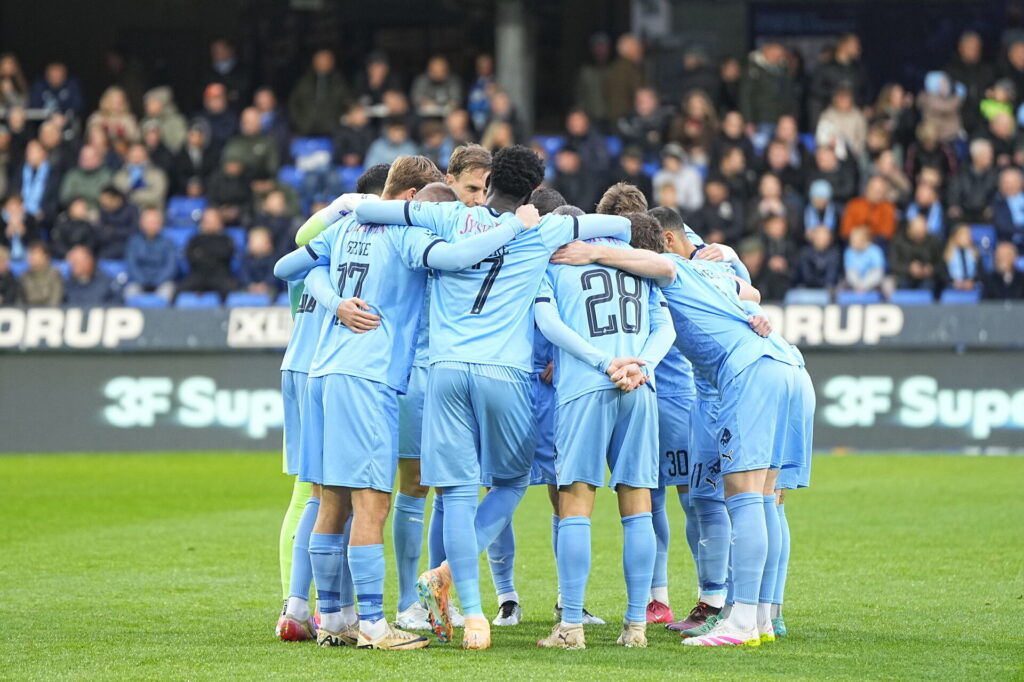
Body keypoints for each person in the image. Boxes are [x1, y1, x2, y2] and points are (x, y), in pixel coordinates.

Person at [354, 145, 634, 651]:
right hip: (503, 371)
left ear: (487, 185)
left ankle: (475, 619)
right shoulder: (544, 227)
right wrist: (588, 246)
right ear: (530, 191)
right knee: (512, 480)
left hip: (443, 371)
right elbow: (623, 229)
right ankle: (440, 575)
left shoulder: (447, 215)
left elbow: (367, 209)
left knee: (457, 495)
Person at [275, 158, 545, 651]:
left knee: (328, 501)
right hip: (369, 377)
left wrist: (335, 300)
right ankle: (376, 624)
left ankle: (331, 616)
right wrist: (510, 225)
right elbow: (454, 260)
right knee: (374, 503)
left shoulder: (347, 225)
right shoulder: (409, 236)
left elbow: (287, 267)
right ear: (413, 203)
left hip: (322, 373)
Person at [549, 213, 811, 648]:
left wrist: (595, 251)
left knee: (744, 495)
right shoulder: (715, 264)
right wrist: (747, 293)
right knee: (765, 497)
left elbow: (668, 267)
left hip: (748, 371)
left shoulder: (675, 267)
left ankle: (742, 619)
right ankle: (762, 615)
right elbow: (751, 292)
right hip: (783, 362)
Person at [531, 211, 674, 651]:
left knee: (575, 502)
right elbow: (665, 326)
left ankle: (571, 626)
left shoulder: (551, 262)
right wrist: (640, 365)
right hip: (639, 387)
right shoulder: (634, 259)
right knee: (638, 504)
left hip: (585, 387)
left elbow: (547, 323)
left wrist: (603, 362)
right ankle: (635, 627)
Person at [274, 175, 385, 642]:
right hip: (330, 371)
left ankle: (297, 606)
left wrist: (336, 208)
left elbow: (293, 253)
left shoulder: (321, 245)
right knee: (329, 495)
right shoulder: (360, 246)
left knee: (312, 493)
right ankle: (320, 607)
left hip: (298, 367)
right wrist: (346, 206)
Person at [287, 50, 351, 137]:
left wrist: (339, 121)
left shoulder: (338, 82)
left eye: (326, 60)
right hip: (306, 129)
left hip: (332, 130)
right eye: (320, 60)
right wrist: (300, 122)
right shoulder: (304, 82)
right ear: (314, 62)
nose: (323, 63)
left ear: (332, 62)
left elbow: (348, 102)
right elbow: (293, 103)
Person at [179, 209, 237, 300]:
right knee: (178, 291)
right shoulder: (195, 239)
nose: (209, 223)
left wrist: (202, 255)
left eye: (213, 220)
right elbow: (190, 257)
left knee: (232, 291)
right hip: (198, 275)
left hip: (220, 275)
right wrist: (211, 256)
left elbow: (225, 255)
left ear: (219, 222)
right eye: (207, 220)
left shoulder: (226, 239)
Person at [739, 44, 796, 133]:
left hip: (780, 120)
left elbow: (788, 95)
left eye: (780, 55)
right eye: (776, 54)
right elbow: (746, 97)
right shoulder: (753, 69)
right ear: (766, 52)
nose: (779, 57)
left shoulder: (782, 70)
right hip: (761, 120)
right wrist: (748, 121)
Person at [946, 32, 994, 135]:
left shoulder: (987, 70)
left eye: (976, 47)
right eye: (970, 46)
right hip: (957, 118)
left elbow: (991, 92)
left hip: (982, 120)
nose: (974, 50)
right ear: (961, 48)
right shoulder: (951, 70)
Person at [124, 208, 177, 301]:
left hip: (162, 282)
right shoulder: (134, 242)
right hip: (139, 282)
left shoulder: (168, 243)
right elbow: (131, 265)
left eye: (154, 222)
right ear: (141, 224)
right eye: (148, 222)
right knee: (130, 291)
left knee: (167, 291)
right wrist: (143, 281)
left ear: (160, 224)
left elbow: (171, 267)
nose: (151, 225)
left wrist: (157, 282)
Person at [11, 139, 60, 230]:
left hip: (42, 218)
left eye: (32, 152)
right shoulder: (21, 170)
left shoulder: (53, 173)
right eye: (28, 151)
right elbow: (14, 192)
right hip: (19, 214)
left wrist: (43, 213)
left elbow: (54, 199)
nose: (28, 155)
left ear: (43, 154)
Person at [223, 107, 280, 182]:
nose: (248, 125)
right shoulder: (234, 142)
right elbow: (225, 165)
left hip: (260, 182)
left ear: (259, 123)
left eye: (252, 122)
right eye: (245, 122)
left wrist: (244, 169)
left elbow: (273, 168)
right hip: (234, 183)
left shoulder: (268, 143)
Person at [948, 138, 998, 222]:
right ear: (976, 156)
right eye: (987, 154)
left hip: (985, 214)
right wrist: (954, 205)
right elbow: (953, 192)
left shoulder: (994, 174)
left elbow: (997, 194)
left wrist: (992, 206)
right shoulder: (961, 173)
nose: (991, 157)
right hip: (964, 214)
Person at [890, 215, 945, 291]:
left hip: (928, 278)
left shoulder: (934, 241)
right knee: (902, 283)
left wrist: (931, 269)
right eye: (917, 232)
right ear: (909, 230)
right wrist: (909, 268)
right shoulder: (898, 241)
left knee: (930, 284)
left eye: (923, 232)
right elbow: (893, 264)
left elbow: (941, 264)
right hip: (904, 277)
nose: (921, 235)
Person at [112, 143, 168, 210]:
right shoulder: (120, 175)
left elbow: (157, 195)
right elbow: (117, 194)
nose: (137, 159)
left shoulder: (157, 174)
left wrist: (133, 195)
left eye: (140, 156)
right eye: (134, 156)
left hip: (151, 211)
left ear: (147, 157)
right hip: (126, 213)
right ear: (128, 157)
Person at [652, 143, 703, 216]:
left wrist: (677, 203)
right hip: (664, 212)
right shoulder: (660, 176)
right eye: (666, 158)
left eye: (672, 158)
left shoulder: (692, 175)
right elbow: (656, 199)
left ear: (680, 159)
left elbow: (696, 202)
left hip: (687, 214)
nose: (668, 161)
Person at [841, 176, 897, 240]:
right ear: (867, 188)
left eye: (880, 192)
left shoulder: (888, 208)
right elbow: (846, 230)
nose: (876, 194)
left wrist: (868, 237)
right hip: (854, 242)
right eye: (874, 190)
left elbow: (887, 232)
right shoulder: (854, 205)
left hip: (877, 243)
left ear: (884, 193)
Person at [816, 86, 867, 157]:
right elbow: (821, 136)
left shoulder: (857, 115)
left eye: (846, 100)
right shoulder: (828, 115)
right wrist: (829, 143)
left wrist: (856, 149)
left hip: (854, 151)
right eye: (841, 100)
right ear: (836, 100)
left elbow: (862, 136)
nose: (844, 102)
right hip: (833, 151)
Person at [605, 34, 645, 123]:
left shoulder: (612, 69)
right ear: (628, 51)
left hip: (613, 116)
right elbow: (638, 93)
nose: (641, 51)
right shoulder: (631, 70)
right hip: (628, 117)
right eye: (637, 48)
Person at [574, 33, 612, 125]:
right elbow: (579, 95)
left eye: (603, 46)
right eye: (597, 47)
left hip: (611, 119)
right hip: (591, 118)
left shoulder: (614, 71)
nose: (600, 50)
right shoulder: (585, 71)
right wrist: (580, 113)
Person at [60, 145, 114, 209]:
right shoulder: (72, 175)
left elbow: (107, 199)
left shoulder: (106, 175)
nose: (85, 161)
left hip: (99, 211)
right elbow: (64, 197)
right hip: (76, 210)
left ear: (98, 159)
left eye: (89, 158)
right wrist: (77, 202)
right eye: (83, 158)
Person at [173, 120, 218, 195]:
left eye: (198, 136)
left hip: (205, 192)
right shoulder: (179, 155)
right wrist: (188, 186)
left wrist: (201, 186)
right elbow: (178, 175)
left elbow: (212, 174)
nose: (195, 138)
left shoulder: (210, 155)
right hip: (183, 192)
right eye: (193, 135)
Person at [141, 86, 188, 153]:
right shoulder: (145, 121)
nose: (147, 106)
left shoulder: (176, 121)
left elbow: (180, 143)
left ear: (162, 103)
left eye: (152, 103)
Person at [96, 186, 139, 259]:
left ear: (117, 199)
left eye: (106, 200)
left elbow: (134, 231)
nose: (103, 203)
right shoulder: (104, 211)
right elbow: (102, 231)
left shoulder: (131, 210)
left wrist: (113, 231)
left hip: (128, 245)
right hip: (108, 245)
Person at [196, 83, 238, 157]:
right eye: (212, 98)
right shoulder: (199, 119)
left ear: (224, 99)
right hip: (204, 158)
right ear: (206, 101)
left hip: (227, 157)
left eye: (219, 98)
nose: (216, 101)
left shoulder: (232, 118)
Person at [206, 38, 250, 107]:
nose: (217, 53)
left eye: (220, 49)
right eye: (214, 50)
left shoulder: (242, 69)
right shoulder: (208, 72)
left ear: (230, 50)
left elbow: (242, 90)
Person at [843, 225, 886, 293]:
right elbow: (850, 272)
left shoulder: (875, 251)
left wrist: (864, 285)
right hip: (854, 285)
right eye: (852, 239)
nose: (852, 242)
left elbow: (878, 273)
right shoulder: (849, 252)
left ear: (865, 239)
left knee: (887, 284)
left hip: (874, 284)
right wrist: (858, 285)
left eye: (855, 240)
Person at [239, 227, 279, 296]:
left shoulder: (273, 259)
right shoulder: (246, 259)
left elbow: (273, 275)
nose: (257, 245)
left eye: (260, 242)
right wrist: (251, 285)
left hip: (269, 288)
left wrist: (265, 285)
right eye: (254, 242)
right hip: (249, 288)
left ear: (268, 244)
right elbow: (244, 274)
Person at [19, 241, 63, 305]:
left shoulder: (54, 274)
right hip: (28, 312)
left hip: (49, 312)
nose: (31, 257)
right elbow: (20, 301)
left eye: (35, 254)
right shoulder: (24, 276)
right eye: (30, 254)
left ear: (45, 257)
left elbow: (56, 299)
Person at [0, 194, 40, 259]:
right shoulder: (1, 220)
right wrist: (8, 232)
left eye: (17, 205)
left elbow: (35, 242)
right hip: (5, 257)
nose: (14, 208)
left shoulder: (30, 219)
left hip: (27, 256)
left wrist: (23, 231)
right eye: (11, 205)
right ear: (5, 206)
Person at [992, 167, 1024, 249]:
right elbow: (1003, 227)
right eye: (1006, 182)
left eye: (1013, 182)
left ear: (1020, 183)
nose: (1009, 186)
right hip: (1009, 243)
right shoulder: (998, 202)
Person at [944, 224, 980, 292]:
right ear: (956, 237)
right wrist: (953, 281)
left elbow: (980, 273)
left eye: (968, 234)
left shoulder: (975, 253)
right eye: (964, 235)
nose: (967, 237)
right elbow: (943, 274)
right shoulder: (948, 253)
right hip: (952, 287)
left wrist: (972, 281)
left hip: (972, 287)